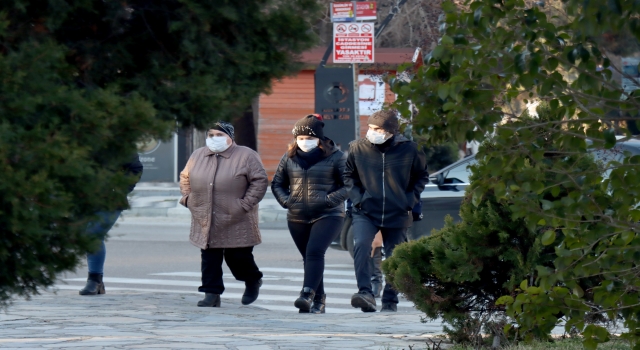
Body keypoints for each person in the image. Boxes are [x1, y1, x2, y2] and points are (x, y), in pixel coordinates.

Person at [344, 110, 429, 312]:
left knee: (395, 255)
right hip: (366, 210)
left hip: (398, 210)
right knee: (362, 245)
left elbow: (421, 176)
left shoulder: (410, 149)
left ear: (391, 131)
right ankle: (365, 293)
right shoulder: (357, 148)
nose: (372, 132)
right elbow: (348, 176)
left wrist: (409, 200)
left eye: (378, 129)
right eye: (370, 128)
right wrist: (358, 199)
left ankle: (390, 300)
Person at [179, 121, 268, 307]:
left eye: (219, 135)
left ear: (230, 137)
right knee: (209, 257)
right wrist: (188, 199)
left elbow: (259, 181)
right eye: (211, 135)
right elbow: (185, 177)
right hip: (206, 215)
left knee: (238, 258)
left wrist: (244, 205)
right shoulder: (198, 155)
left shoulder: (246, 155)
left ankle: (252, 279)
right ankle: (211, 293)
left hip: (237, 217)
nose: (214, 139)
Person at [271, 114, 348, 314]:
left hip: (328, 214)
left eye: (309, 138)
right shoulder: (289, 157)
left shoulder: (337, 157)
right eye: (301, 138)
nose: (304, 142)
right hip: (297, 215)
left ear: (319, 138)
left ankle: (306, 294)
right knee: (309, 257)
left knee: (315, 252)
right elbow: (277, 183)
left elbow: (349, 185)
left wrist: (328, 200)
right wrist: (287, 201)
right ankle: (319, 299)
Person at [79, 154, 143, 295]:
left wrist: (118, 189)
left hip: (110, 201)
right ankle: (98, 283)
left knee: (93, 234)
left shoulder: (118, 136)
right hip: (81, 199)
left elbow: (135, 168)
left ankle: (94, 280)